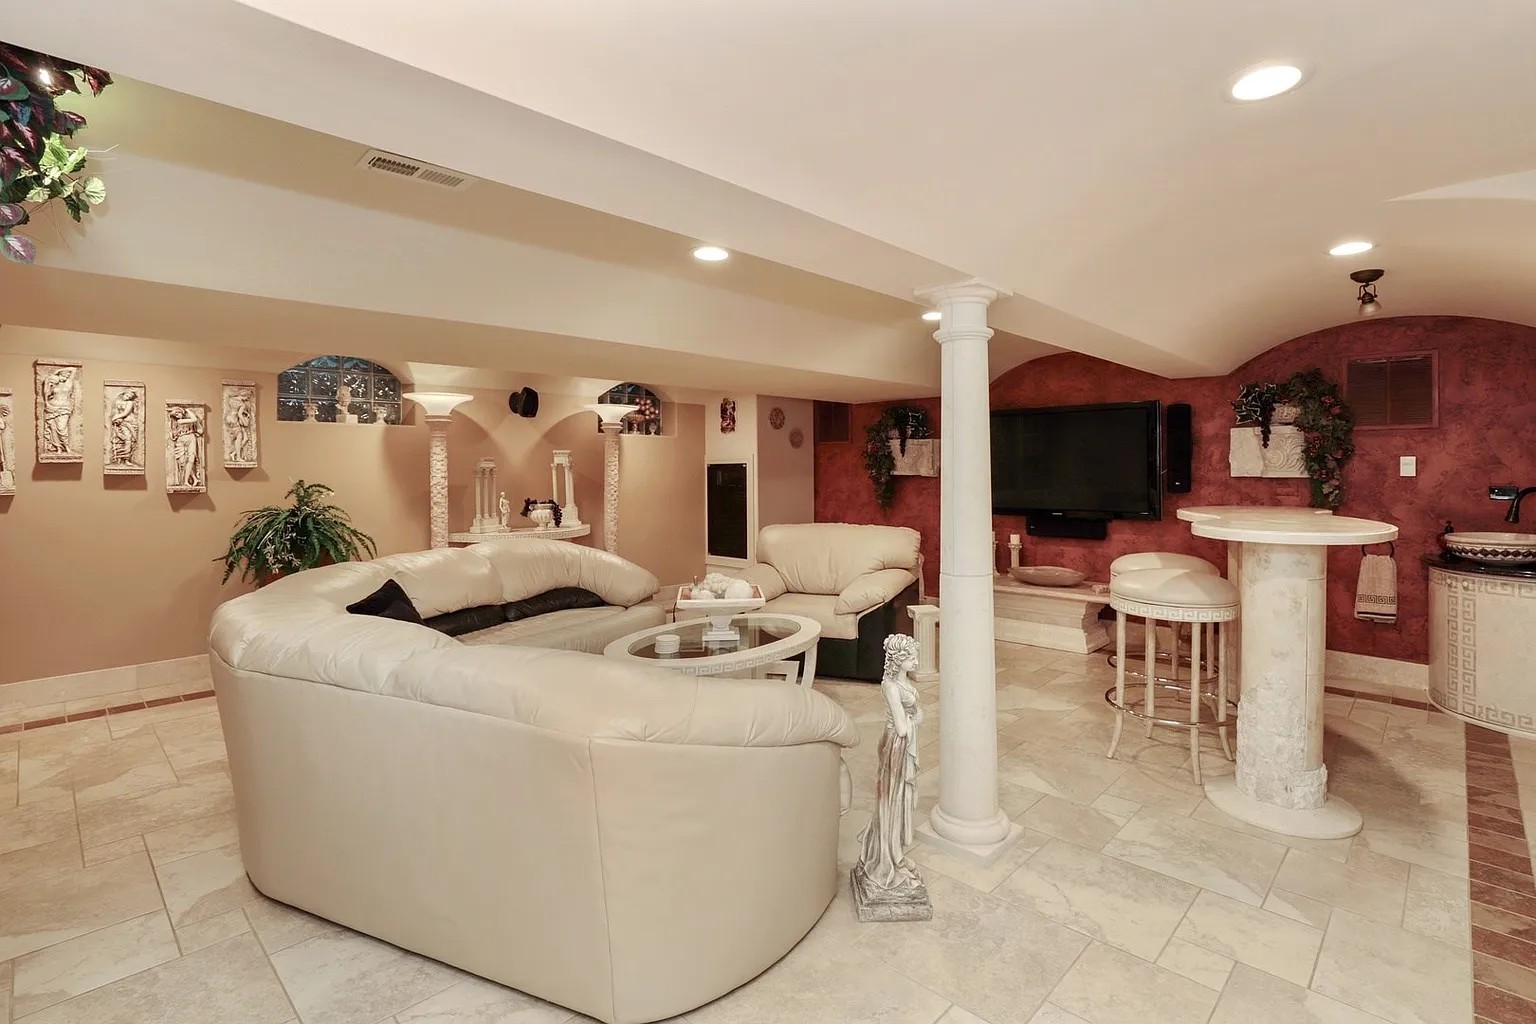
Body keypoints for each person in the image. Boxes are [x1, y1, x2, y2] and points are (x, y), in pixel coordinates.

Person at [853, 634, 926, 894]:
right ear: (898, 660)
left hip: (902, 743)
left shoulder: (902, 682)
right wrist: (916, 716)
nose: (916, 661)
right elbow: (903, 728)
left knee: (900, 797)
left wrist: (915, 715)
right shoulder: (891, 686)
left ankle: (895, 854)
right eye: (911, 658)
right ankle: (886, 858)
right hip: (896, 744)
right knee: (891, 800)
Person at [41, 366, 78, 455]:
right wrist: (49, 386)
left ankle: (66, 446)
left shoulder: (68, 384)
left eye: (66, 376)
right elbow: (47, 394)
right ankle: (58, 448)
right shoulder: (54, 385)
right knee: (53, 428)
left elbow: (74, 370)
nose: (64, 378)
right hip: (52, 407)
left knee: (62, 428)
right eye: (62, 376)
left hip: (64, 408)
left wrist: (58, 371)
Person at [109, 387, 140, 466]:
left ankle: (126, 459)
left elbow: (125, 413)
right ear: (124, 393)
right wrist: (117, 419)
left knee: (129, 440)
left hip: (130, 423)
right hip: (121, 422)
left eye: (130, 397)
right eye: (127, 396)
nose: (128, 398)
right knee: (119, 439)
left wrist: (115, 418)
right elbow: (116, 412)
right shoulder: (117, 402)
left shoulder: (130, 403)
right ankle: (119, 458)